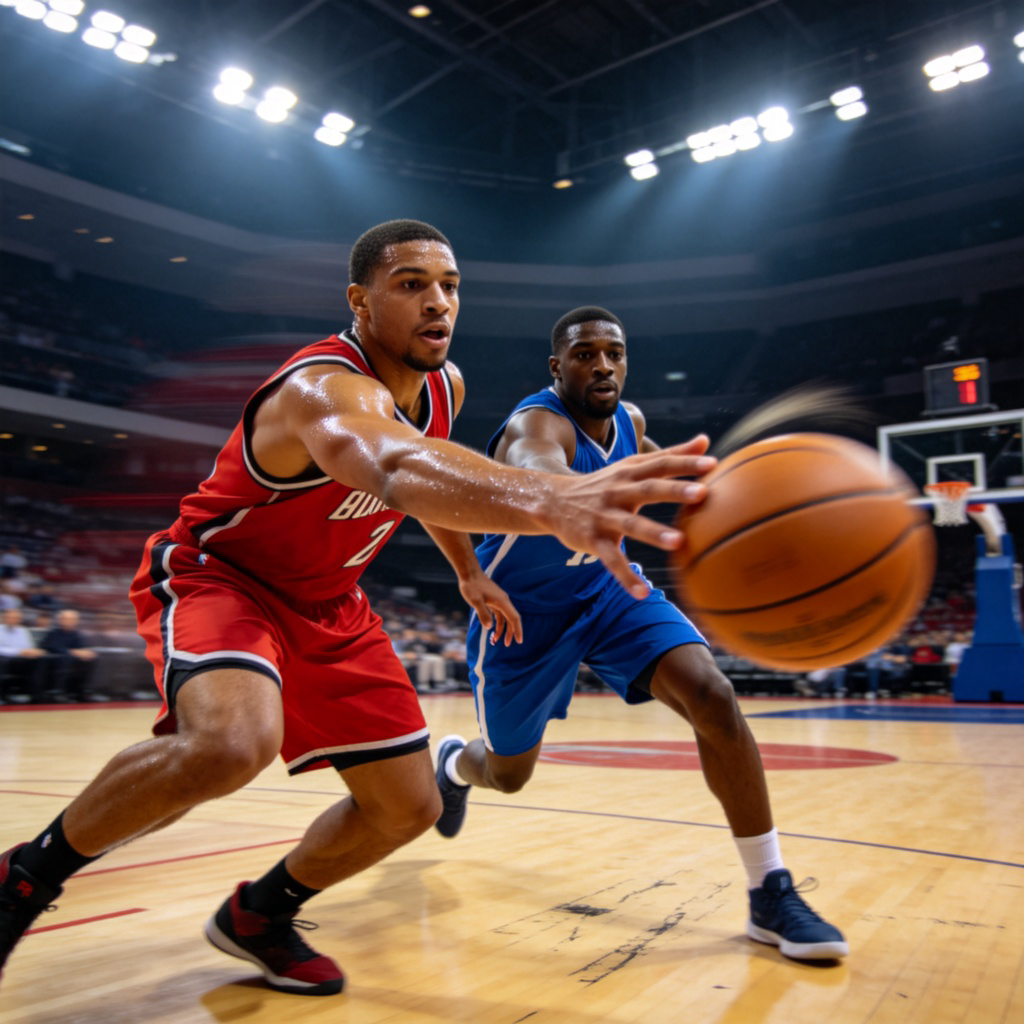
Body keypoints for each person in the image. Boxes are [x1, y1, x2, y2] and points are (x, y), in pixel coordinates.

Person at [0, 222, 714, 994]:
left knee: (407, 806)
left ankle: (257, 914)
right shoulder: (320, 387)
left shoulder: (445, 386)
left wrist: (468, 570)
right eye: (411, 285)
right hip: (225, 579)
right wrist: (553, 496)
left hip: (331, 603)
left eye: (449, 286)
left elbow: (427, 470)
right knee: (231, 743)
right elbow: (395, 463)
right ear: (360, 300)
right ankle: (22, 883)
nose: (438, 303)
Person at [434, 306, 848, 962]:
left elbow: (670, 478)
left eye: (613, 353)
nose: (602, 365)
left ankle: (769, 890)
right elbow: (540, 465)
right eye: (584, 354)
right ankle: (455, 765)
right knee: (507, 775)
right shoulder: (535, 424)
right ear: (557, 366)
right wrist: (574, 494)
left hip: (608, 594)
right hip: (521, 616)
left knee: (713, 697)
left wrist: (745, 502)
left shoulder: (631, 423)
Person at [38, 608, 98, 702]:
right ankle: (57, 692)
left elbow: (82, 647)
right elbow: (49, 646)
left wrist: (86, 652)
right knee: (65, 658)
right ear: (60, 620)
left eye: (72, 619)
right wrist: (70, 652)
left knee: (92, 658)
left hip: (73, 662)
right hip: (54, 661)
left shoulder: (77, 634)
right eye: (66, 619)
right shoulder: (53, 633)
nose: (69, 621)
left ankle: (85, 691)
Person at [0, 606, 46, 704]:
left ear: (19, 619)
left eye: (16, 618)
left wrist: (35, 651)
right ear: (5, 618)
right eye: (10, 617)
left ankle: (35, 695)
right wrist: (19, 652)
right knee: (2, 660)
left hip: (21, 660)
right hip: (6, 660)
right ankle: (3, 695)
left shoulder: (23, 630)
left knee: (40, 659)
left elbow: (29, 647)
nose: (13, 620)